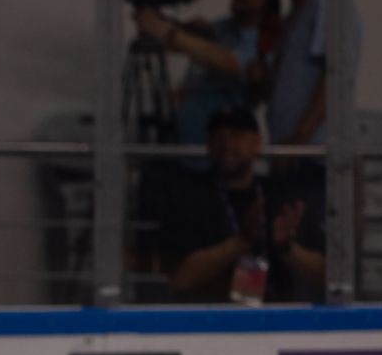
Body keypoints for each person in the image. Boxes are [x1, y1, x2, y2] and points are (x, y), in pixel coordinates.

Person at [139, 104, 324, 303]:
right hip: (212, 320)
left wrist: (288, 248)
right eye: (218, 136)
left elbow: (325, 277)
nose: (226, 144)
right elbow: (179, 280)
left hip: (277, 319)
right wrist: (238, 244)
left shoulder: (280, 195)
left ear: (256, 142)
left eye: (236, 135)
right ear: (208, 145)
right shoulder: (188, 195)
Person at [134, 0, 277, 155]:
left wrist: (165, 30)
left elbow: (228, 61)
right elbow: (184, 44)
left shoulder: (269, 38)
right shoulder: (223, 28)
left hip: (219, 152)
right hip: (178, 146)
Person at [265, 0, 362, 157]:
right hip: (287, 150)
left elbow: (335, 76)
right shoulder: (290, 18)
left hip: (312, 153)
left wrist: (299, 140)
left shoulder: (326, 2)